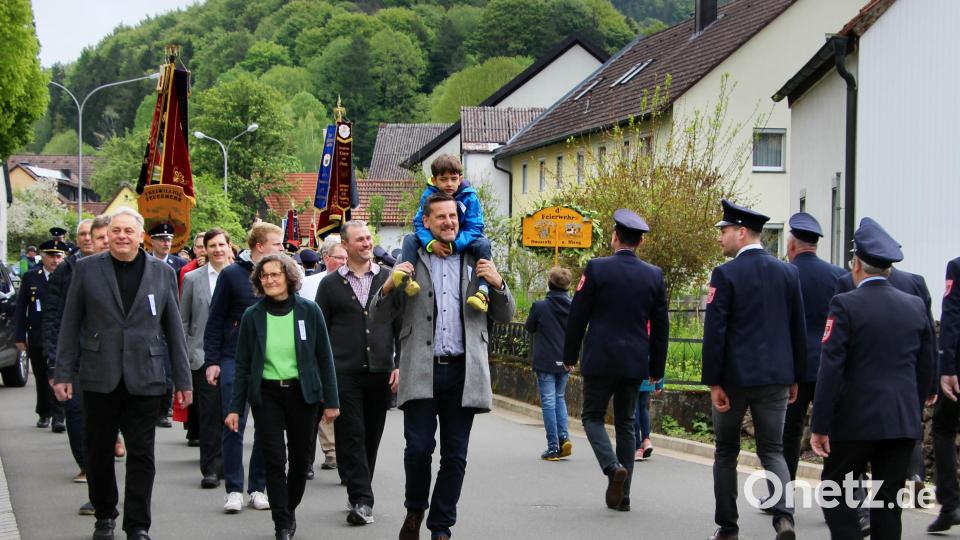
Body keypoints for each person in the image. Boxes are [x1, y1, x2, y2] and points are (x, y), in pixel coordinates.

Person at [371, 191, 515, 540]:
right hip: (421, 369)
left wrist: (498, 284)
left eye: (453, 217)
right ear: (427, 222)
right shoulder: (412, 257)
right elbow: (377, 316)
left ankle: (441, 526)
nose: (449, 223)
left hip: (464, 372)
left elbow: (506, 315)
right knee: (418, 449)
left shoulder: (477, 255)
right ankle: (415, 508)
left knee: (456, 455)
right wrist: (389, 285)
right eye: (441, 218)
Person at [53, 207, 193, 540]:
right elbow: (70, 323)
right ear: (108, 234)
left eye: (128, 231)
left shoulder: (160, 272)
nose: (121, 236)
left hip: (145, 376)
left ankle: (137, 525)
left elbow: (174, 328)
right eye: (116, 230)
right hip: (99, 375)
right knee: (98, 450)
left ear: (140, 235)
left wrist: (183, 381)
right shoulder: (87, 270)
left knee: (142, 454)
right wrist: (62, 374)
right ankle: (104, 516)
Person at [810, 217, 936, 539]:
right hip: (900, 422)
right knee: (888, 506)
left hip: (855, 420)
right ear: (889, 270)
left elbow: (831, 368)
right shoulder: (915, 306)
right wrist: (913, 408)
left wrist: (821, 425)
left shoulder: (844, 304)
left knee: (836, 492)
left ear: (855, 266)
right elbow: (925, 366)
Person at [701, 199, 805, 540]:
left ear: (742, 232)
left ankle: (728, 527)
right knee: (772, 450)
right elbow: (796, 329)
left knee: (726, 451)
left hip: (734, 380)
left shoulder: (725, 274)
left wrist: (713, 381)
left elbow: (715, 331)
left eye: (725, 230)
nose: (721, 237)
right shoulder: (788, 272)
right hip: (776, 377)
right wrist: (796, 376)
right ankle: (784, 518)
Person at [225, 253, 340, 540]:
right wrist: (234, 408)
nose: (270, 280)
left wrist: (332, 401)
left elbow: (324, 358)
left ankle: (287, 507)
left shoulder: (309, 311)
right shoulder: (253, 316)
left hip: (303, 395)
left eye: (275, 274)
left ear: (288, 277)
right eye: (264, 276)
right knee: (275, 460)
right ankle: (282, 522)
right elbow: (241, 365)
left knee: (301, 461)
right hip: (267, 395)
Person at [563, 209, 669, 512]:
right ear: (641, 243)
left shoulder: (597, 269)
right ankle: (624, 497)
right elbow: (661, 326)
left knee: (592, 417)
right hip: (635, 360)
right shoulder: (654, 275)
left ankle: (612, 469)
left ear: (615, 238)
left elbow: (578, 315)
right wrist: (656, 369)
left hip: (600, 356)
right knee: (626, 423)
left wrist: (569, 356)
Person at [316, 221, 400, 525]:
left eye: (368, 238)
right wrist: (324, 376)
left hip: (380, 369)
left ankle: (356, 489)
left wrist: (399, 363)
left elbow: (402, 326)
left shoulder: (390, 279)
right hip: (344, 371)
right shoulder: (330, 285)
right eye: (359, 240)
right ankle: (364, 500)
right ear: (346, 245)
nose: (366, 243)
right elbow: (320, 332)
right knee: (352, 433)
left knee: (371, 436)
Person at [204, 222, 283, 513]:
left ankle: (257, 487)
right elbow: (214, 320)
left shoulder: (280, 274)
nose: (282, 248)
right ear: (259, 246)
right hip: (233, 358)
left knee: (267, 426)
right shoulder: (231, 275)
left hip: (269, 361)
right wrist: (212, 361)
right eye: (277, 244)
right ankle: (234, 489)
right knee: (232, 423)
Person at [42, 215, 110, 515]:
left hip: (117, 362)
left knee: (109, 426)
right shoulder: (70, 270)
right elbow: (56, 318)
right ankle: (92, 480)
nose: (90, 239)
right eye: (86, 235)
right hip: (80, 359)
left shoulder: (138, 268)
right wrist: (56, 363)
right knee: (80, 418)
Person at [778, 213, 845, 483]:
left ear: (792, 245)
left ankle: (781, 492)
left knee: (789, 430)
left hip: (794, 365)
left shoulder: (784, 274)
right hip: (831, 364)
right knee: (833, 429)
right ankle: (835, 491)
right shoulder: (839, 275)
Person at [393, 154, 493, 312]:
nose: (449, 184)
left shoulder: (469, 196)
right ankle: (407, 277)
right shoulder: (428, 195)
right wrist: (431, 244)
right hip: (434, 238)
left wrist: (455, 245)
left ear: (460, 178)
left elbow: (475, 226)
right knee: (410, 239)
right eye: (443, 179)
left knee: (484, 244)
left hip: (463, 239)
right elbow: (419, 222)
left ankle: (483, 291)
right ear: (434, 180)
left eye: (453, 179)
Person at [181, 228, 232, 489]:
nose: (217, 250)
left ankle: (230, 465)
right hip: (201, 356)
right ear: (204, 249)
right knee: (210, 414)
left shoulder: (240, 276)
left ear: (229, 247)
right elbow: (184, 320)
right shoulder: (192, 279)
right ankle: (211, 467)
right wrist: (189, 353)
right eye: (211, 245)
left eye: (221, 244)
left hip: (233, 356)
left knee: (231, 412)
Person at [299, 235, 345, 476]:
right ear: (326, 259)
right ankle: (306, 459)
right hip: (314, 355)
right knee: (314, 409)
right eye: (340, 257)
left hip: (343, 355)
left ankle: (335, 453)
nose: (345, 261)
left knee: (339, 406)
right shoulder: (309, 284)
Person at [15, 236, 67, 431]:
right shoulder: (31, 277)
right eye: (50, 256)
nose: (55, 260)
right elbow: (21, 308)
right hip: (36, 334)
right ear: (41, 257)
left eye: (59, 256)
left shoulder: (67, 276)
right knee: (41, 376)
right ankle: (44, 412)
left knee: (59, 374)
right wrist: (20, 337)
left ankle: (59, 416)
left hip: (60, 335)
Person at [524, 266, 574, 461]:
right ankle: (564, 437)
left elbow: (530, 327)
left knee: (549, 402)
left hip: (545, 360)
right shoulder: (573, 307)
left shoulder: (540, 306)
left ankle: (553, 446)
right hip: (566, 360)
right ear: (567, 286)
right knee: (560, 398)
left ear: (550, 284)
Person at [931, 253, 960, 533]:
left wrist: (947, 368)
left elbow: (951, 317)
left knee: (943, 429)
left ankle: (950, 503)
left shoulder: (957, 266)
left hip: (959, 369)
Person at [634, 377, 663, 461]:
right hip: (648, 380)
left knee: (634, 410)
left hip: (632, 379)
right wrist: (658, 384)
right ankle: (646, 440)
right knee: (643, 408)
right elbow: (659, 364)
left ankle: (637, 448)